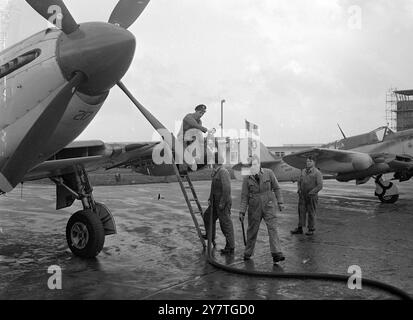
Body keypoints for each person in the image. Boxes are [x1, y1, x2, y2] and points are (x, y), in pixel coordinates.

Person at [239, 156, 285, 264]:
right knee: (252, 230)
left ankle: (276, 253)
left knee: (272, 228)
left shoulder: (269, 173)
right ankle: (248, 252)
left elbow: (277, 188)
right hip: (254, 207)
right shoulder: (247, 179)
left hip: (268, 204)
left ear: (259, 164)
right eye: (251, 165)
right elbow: (244, 196)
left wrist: (280, 202)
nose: (253, 167)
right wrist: (242, 212)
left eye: (255, 164)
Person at [203, 159, 235, 255]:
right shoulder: (216, 172)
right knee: (207, 217)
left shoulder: (223, 172)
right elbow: (213, 187)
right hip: (215, 203)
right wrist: (210, 198)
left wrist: (222, 203)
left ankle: (230, 246)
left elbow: (226, 189)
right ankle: (210, 236)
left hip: (223, 203)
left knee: (225, 224)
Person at [291, 156, 323, 236]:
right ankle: (300, 228)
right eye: (307, 161)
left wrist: (312, 193)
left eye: (310, 161)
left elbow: (320, 185)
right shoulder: (303, 171)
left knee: (311, 212)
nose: (308, 163)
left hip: (312, 196)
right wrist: (299, 189)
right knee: (301, 212)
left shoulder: (317, 173)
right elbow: (299, 181)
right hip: (302, 195)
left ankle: (311, 229)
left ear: (314, 162)